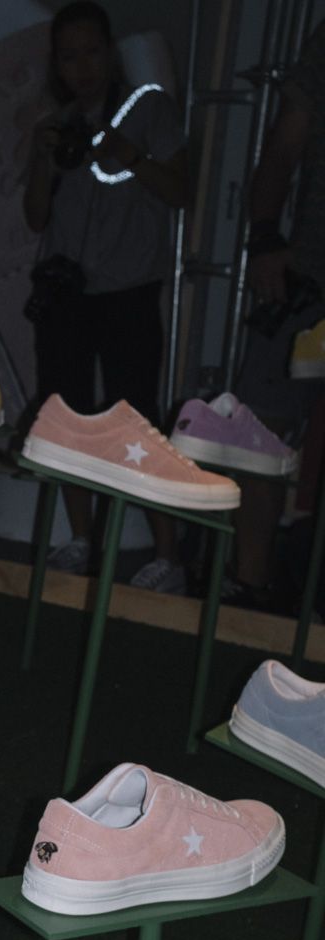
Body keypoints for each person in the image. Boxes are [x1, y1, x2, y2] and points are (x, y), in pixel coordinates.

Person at [22, 2, 189, 590]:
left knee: (137, 419)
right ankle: (80, 539)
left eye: (92, 52)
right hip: (65, 292)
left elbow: (181, 191)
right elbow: (35, 217)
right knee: (64, 417)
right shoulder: (60, 125)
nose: (83, 67)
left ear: (111, 53)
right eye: (69, 57)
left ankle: (167, 555)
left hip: (128, 292)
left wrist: (131, 155)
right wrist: (42, 158)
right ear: (57, 64)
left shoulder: (149, 109)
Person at [230, 20, 325, 610]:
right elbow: (286, 142)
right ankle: (251, 586)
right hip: (309, 274)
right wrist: (265, 235)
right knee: (256, 431)